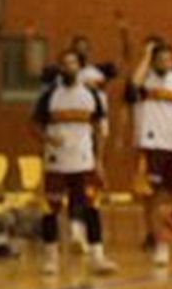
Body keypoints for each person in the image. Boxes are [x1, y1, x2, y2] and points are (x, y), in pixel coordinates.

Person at [32, 47, 117, 276]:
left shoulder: (91, 96)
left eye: (73, 63)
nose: (68, 67)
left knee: (91, 208)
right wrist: (48, 137)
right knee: (50, 209)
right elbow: (35, 126)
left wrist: (99, 159)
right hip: (56, 161)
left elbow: (100, 129)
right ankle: (51, 258)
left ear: (80, 67)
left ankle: (97, 256)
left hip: (84, 160)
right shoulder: (50, 96)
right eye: (64, 63)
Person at [128, 38, 172, 268]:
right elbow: (132, 85)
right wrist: (147, 54)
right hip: (152, 144)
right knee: (153, 197)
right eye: (161, 58)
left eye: (169, 58)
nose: (166, 62)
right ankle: (159, 244)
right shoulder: (145, 80)